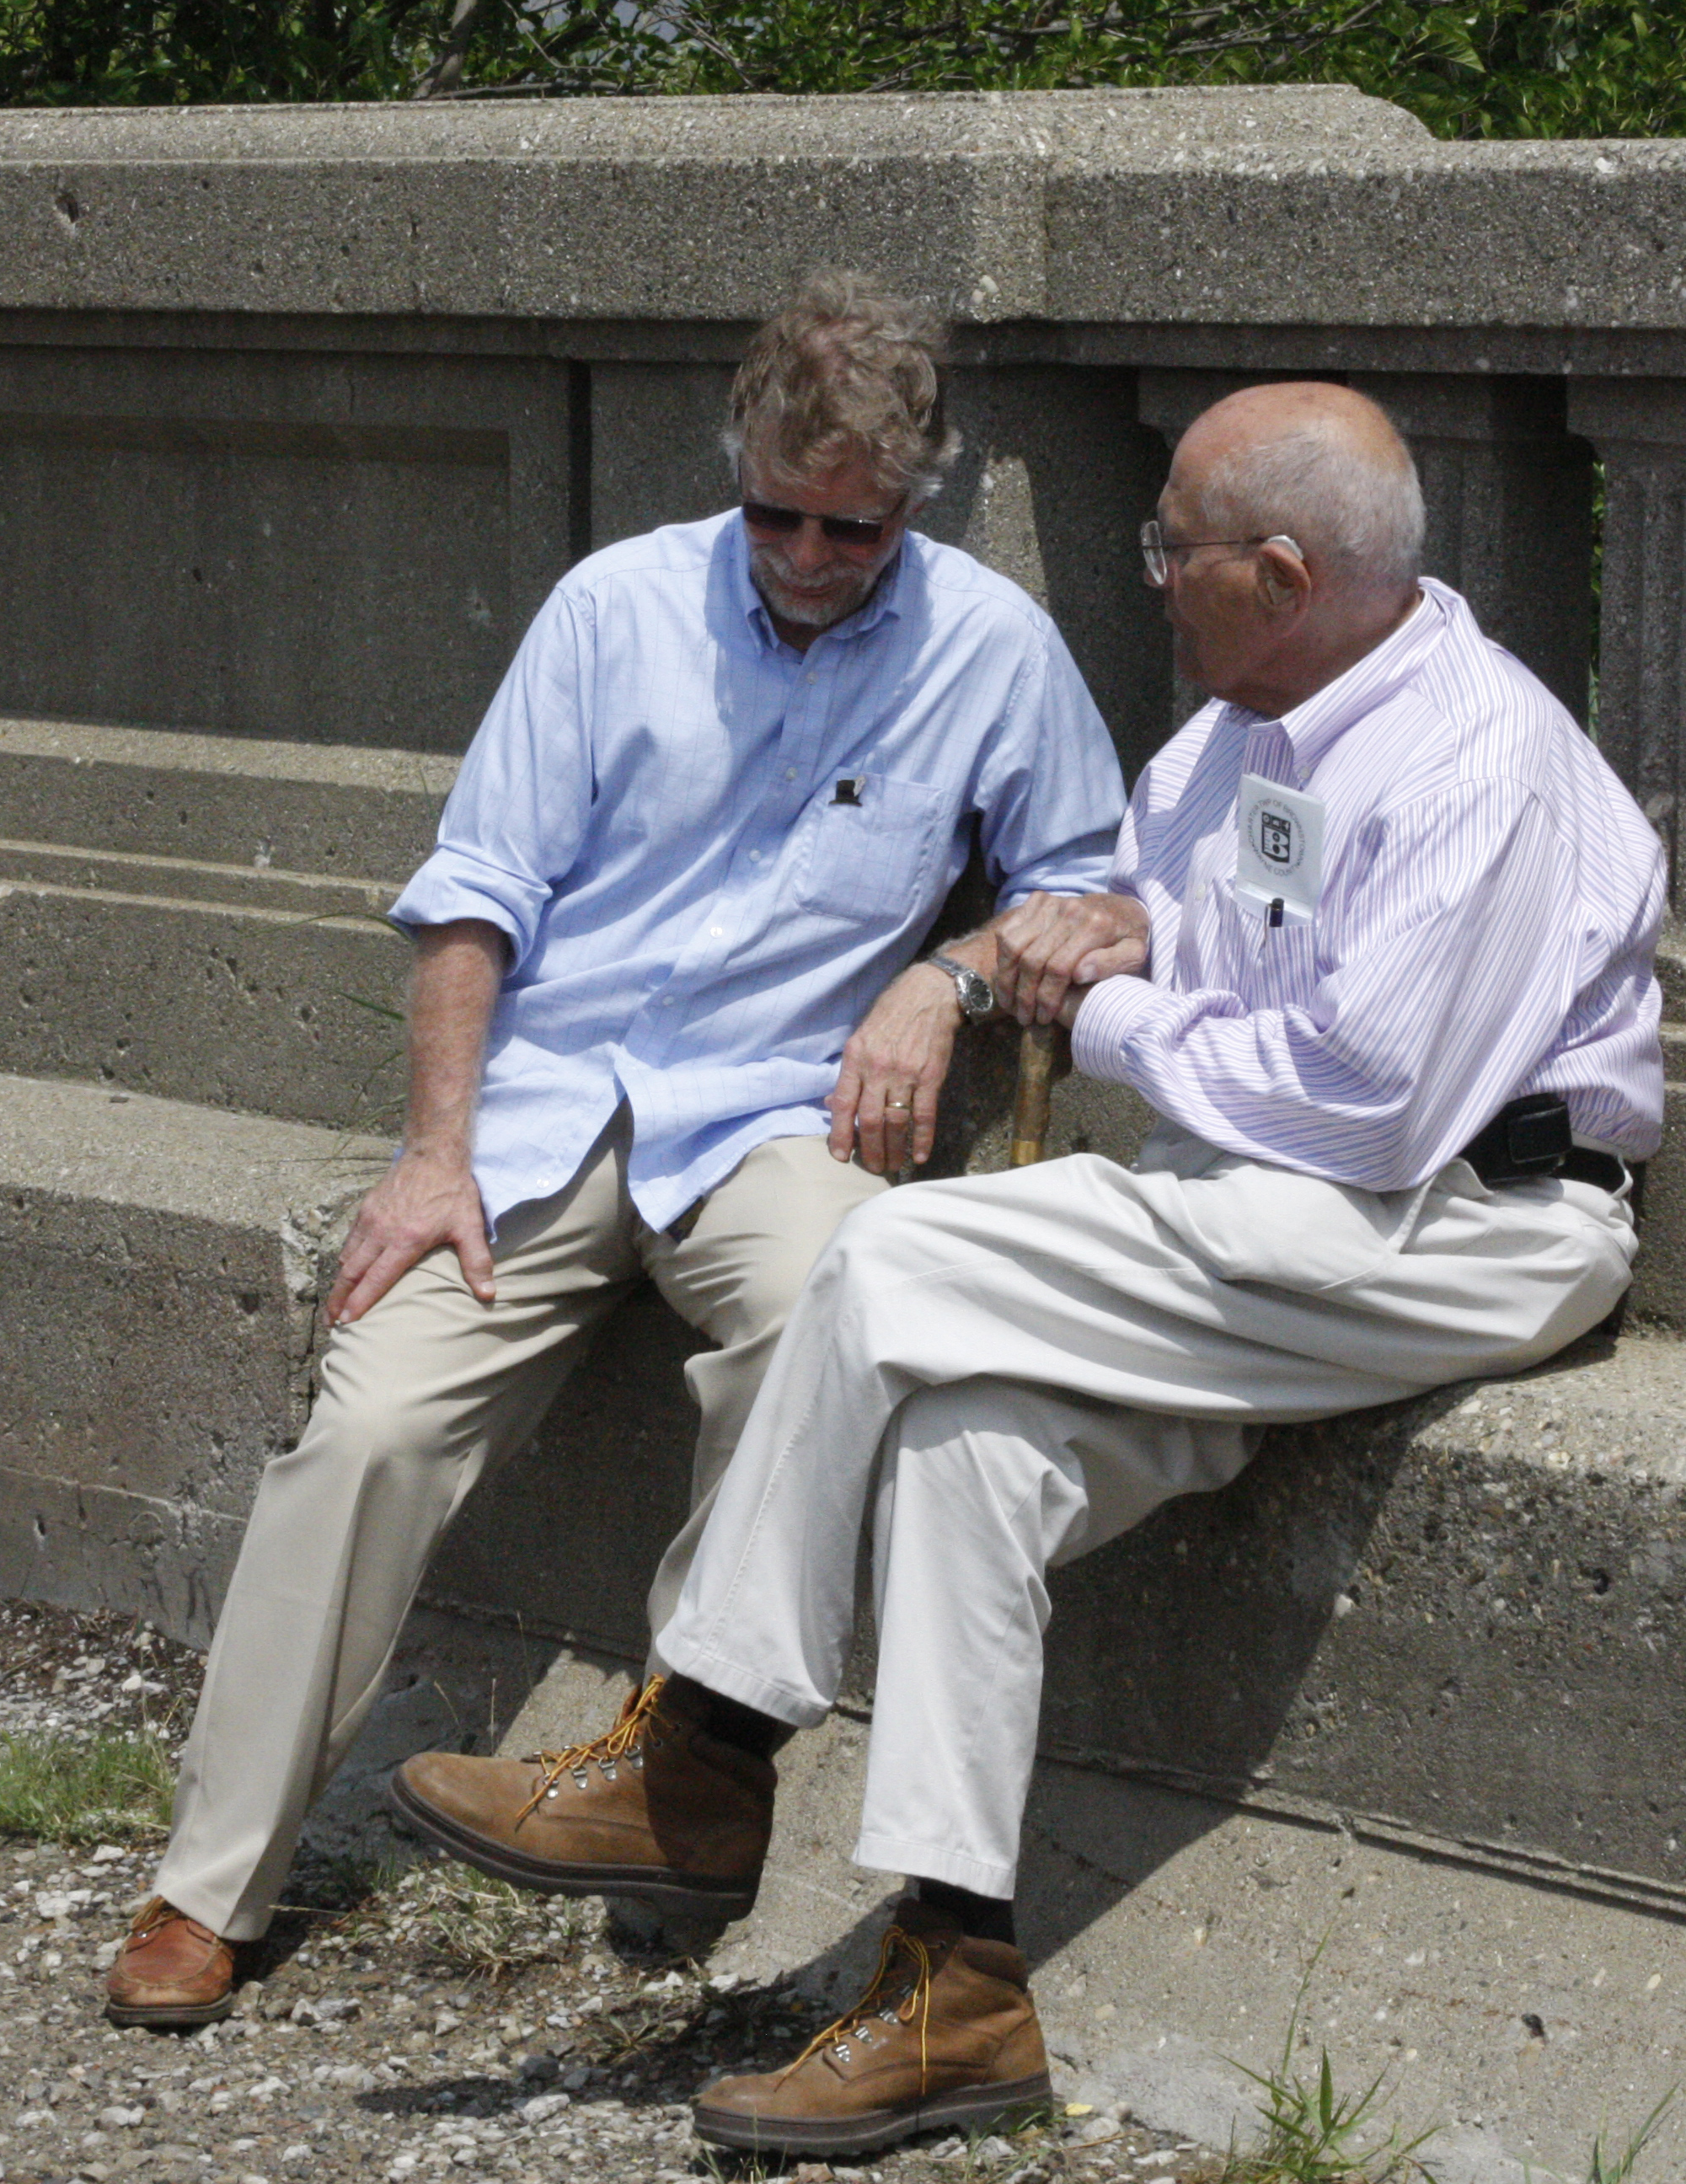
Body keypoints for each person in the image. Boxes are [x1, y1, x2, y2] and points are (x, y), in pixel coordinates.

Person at [388, 382, 1667, 2157]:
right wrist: (1113, 929)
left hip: (1466, 1224)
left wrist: (1124, 1006)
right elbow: (1159, 900)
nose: (1152, 576)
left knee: (890, 1252)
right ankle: (957, 1988)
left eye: (1177, 546)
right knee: (966, 1447)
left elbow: (1369, 1108)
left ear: (1283, 572)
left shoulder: (1472, 760)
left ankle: (703, 1749)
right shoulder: (1242, 722)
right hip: (1275, 1207)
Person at [103, 272, 1130, 2027]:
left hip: (777, 1113)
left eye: (853, 529)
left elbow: (1094, 889)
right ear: (736, 459)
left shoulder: (988, 646)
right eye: (779, 514)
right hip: (551, 1098)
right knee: (368, 1426)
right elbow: (474, 895)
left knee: (833, 1316)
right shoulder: (614, 607)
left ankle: (674, 1791)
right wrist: (435, 1154)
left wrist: (942, 978)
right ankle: (213, 1886)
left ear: (923, 495)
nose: (809, 555)